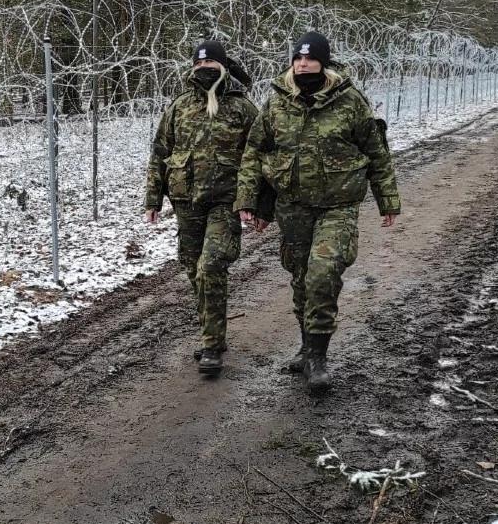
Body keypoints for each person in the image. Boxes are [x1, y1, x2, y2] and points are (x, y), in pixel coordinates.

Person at [234, 31, 400, 392]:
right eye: (298, 58)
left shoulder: (350, 102)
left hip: (337, 206)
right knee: (300, 277)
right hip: (292, 206)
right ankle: (307, 345)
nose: (303, 63)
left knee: (323, 273)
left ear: (324, 62)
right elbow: (254, 152)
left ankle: (318, 357)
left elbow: (376, 152)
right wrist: (248, 199)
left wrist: (387, 198)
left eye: (310, 58)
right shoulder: (277, 102)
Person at [144, 40, 258, 374]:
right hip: (186, 202)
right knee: (193, 269)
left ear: (224, 67)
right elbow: (160, 152)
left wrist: (255, 202)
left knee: (211, 266)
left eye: (212, 65)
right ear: (192, 68)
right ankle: (215, 334)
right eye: (199, 65)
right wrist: (153, 198)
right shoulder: (179, 107)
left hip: (226, 202)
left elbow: (258, 157)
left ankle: (210, 347)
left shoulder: (242, 108)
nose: (205, 70)